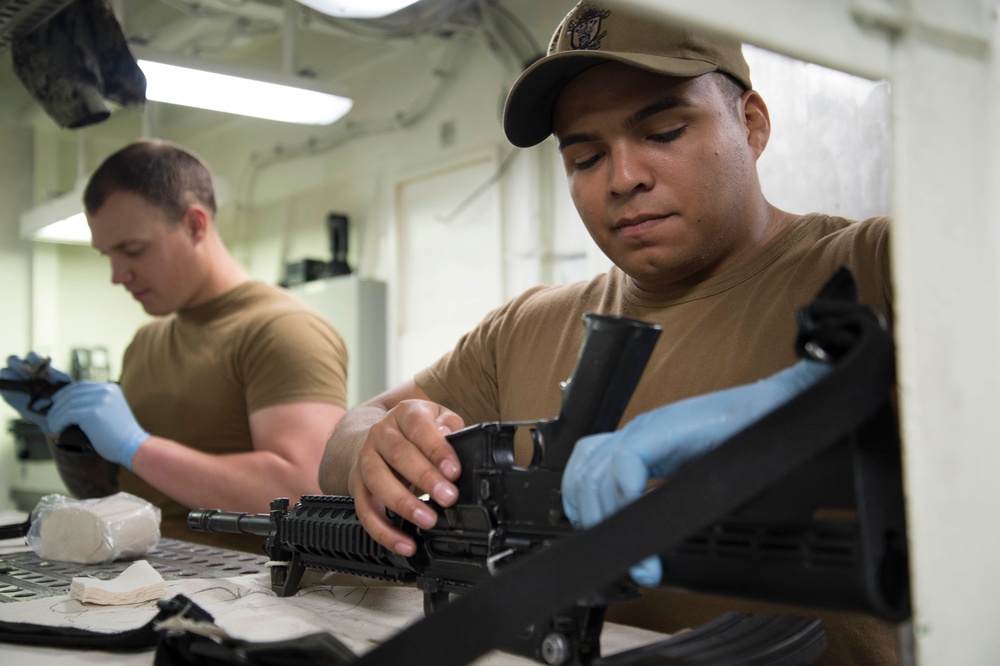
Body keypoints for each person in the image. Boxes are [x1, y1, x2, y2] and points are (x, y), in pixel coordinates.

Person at [318, 2, 895, 664]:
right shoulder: (524, 327)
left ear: (751, 123)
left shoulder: (878, 268)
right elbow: (351, 430)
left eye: (665, 132)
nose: (624, 179)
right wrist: (375, 449)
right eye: (586, 158)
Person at [2, 139, 349, 552]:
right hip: (141, 576)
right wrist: (62, 429)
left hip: (238, 593)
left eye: (132, 250)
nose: (117, 275)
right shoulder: (146, 341)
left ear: (195, 225)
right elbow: (120, 490)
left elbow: (300, 491)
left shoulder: (284, 329)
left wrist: (139, 447)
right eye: (106, 255)